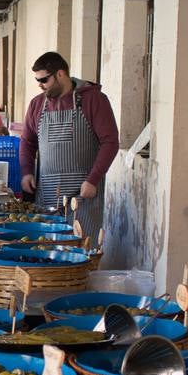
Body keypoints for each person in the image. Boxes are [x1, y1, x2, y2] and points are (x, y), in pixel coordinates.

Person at [19, 51, 119, 240]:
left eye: (44, 80)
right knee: (47, 250)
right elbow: (27, 141)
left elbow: (110, 142)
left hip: (84, 194)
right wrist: (27, 172)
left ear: (60, 74)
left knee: (81, 250)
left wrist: (94, 179)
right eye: (37, 81)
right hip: (47, 195)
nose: (40, 85)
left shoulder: (93, 100)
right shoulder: (37, 105)